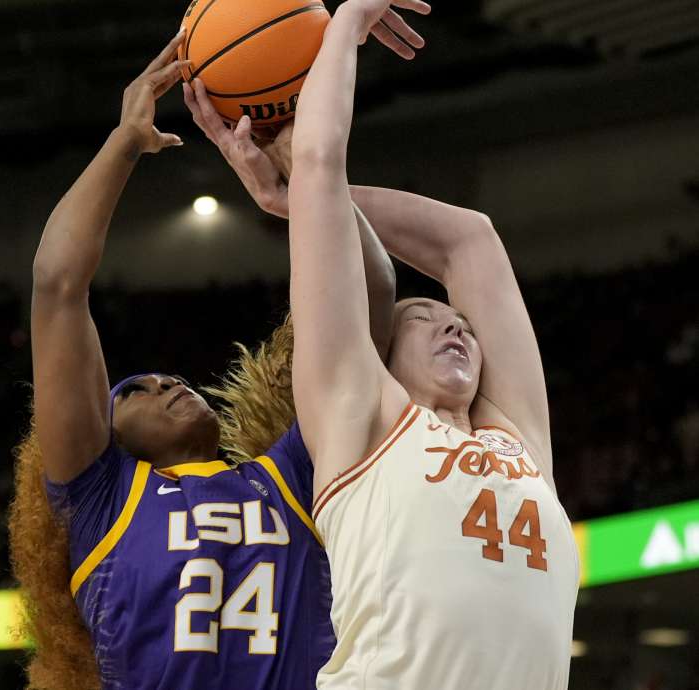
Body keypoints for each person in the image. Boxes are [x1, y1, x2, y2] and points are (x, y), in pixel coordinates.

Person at [10, 30, 399, 690]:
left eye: (167, 377)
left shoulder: (292, 476)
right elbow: (56, 284)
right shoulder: (101, 499)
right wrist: (124, 142)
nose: (164, 381)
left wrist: (313, 173)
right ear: (108, 439)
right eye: (134, 389)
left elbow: (375, 293)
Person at [218, 0, 574, 686]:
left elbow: (469, 238)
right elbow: (321, 159)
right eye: (422, 317)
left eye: (462, 324)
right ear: (377, 351)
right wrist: (345, 24)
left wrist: (304, 204)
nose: (455, 323)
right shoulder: (361, 416)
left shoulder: (517, 439)